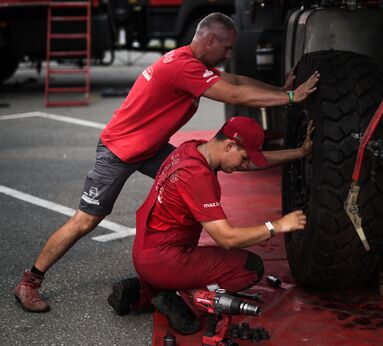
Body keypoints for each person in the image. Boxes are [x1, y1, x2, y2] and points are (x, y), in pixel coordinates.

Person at [14, 12, 319, 312]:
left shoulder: (195, 63)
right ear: (210, 39)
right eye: (226, 48)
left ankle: (166, 266)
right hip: (119, 149)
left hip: (151, 149)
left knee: (195, 173)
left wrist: (278, 91)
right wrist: (291, 97)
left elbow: (237, 79)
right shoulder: (184, 68)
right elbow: (235, 92)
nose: (228, 55)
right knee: (86, 220)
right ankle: (30, 281)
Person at [107, 116, 312, 334]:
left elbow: (252, 162)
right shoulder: (197, 176)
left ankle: (140, 293)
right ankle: (182, 299)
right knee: (250, 268)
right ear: (230, 145)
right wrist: (277, 226)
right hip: (165, 259)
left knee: (186, 265)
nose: (245, 164)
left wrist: (299, 152)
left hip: (145, 251)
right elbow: (227, 238)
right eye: (243, 158)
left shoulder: (192, 149)